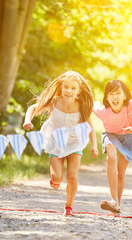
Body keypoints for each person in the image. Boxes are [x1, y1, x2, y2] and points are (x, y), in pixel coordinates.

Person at [23, 70, 98, 216]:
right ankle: (55, 179)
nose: (69, 91)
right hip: (56, 141)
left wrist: (94, 145)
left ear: (79, 92)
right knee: (56, 177)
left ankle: (68, 206)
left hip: (75, 143)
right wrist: (27, 120)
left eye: (73, 88)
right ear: (61, 88)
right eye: (66, 87)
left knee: (72, 176)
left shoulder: (82, 106)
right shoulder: (54, 101)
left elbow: (90, 128)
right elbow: (33, 108)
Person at [93, 80, 132, 214]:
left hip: (130, 136)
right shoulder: (103, 111)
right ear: (106, 97)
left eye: (118, 93)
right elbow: (86, 101)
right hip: (111, 135)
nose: (114, 97)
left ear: (125, 95)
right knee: (111, 157)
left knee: (120, 173)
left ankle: (117, 205)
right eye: (111, 94)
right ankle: (113, 200)